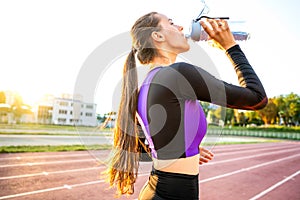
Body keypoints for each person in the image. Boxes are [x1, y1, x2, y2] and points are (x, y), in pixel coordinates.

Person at [104, 11, 268, 199]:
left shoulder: (148, 84)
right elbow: (257, 98)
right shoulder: (178, 74)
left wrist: (184, 148)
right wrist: (230, 46)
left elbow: (143, 144)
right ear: (157, 36)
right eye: (172, 23)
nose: (181, 27)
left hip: (156, 188)